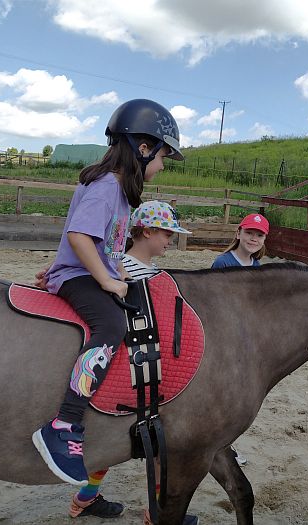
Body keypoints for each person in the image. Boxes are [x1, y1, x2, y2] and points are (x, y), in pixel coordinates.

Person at [31, 99, 184, 492]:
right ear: (143, 148)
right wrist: (106, 280)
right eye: (162, 156)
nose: (162, 166)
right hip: (81, 275)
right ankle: (65, 422)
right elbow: (79, 236)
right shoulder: (107, 187)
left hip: (84, 270)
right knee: (112, 324)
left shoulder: (116, 190)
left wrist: (117, 272)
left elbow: (105, 246)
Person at [63, 201, 197, 524]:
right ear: (147, 232)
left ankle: (85, 498)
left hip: (141, 360)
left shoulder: (151, 271)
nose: (170, 240)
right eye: (167, 234)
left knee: (114, 444)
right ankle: (158, 513)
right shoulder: (121, 269)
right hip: (134, 364)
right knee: (158, 444)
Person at [210, 212, 270, 466]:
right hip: (224, 336)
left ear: (264, 239)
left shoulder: (257, 268)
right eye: (249, 233)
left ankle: (227, 445)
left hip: (244, 339)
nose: (253, 239)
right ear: (238, 233)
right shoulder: (222, 263)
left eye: (259, 235)